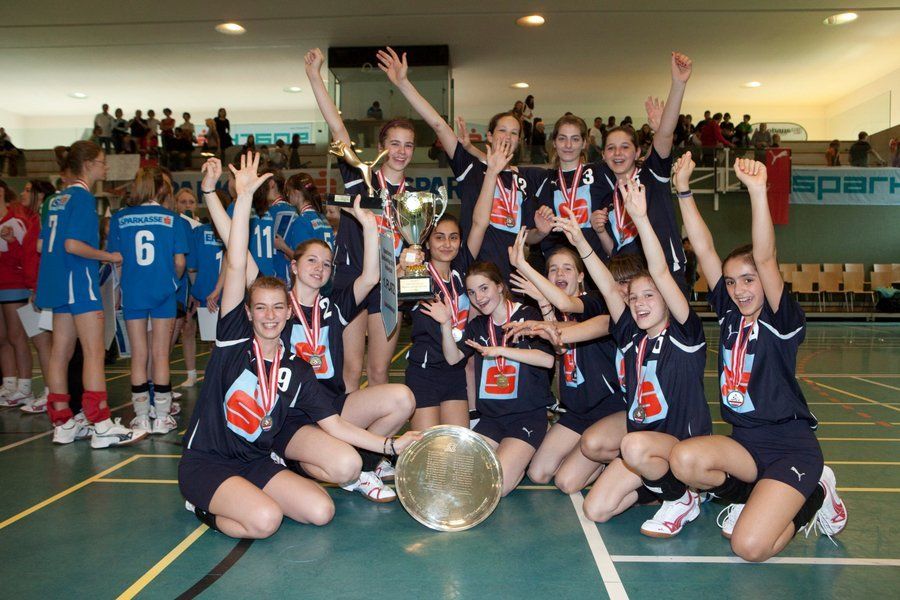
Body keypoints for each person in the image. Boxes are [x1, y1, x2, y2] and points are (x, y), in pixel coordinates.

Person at [179, 152, 420, 537]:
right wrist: (231, 197)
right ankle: (225, 495)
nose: (271, 315)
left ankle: (348, 468)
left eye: (326, 263)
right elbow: (237, 257)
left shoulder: (311, 339)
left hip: (310, 412)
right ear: (292, 265)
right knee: (272, 514)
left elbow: (371, 277)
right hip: (272, 424)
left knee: (324, 507)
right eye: (311, 261)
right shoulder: (250, 324)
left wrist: (368, 225)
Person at [669, 152, 848, 561]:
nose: (739, 290)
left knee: (750, 547)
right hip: (746, 443)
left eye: (748, 280)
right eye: (732, 282)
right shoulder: (731, 313)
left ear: (765, 282)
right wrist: (682, 190)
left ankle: (815, 495)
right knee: (685, 460)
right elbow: (703, 247)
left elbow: (766, 257)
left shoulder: (781, 319)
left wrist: (756, 191)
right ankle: (750, 497)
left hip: (791, 447)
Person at [554, 181, 711, 537]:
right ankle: (665, 489)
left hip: (680, 444)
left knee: (632, 445)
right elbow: (609, 287)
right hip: (644, 442)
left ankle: (682, 494)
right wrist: (581, 243)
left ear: (666, 297)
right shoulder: (630, 334)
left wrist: (640, 218)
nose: (639, 304)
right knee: (596, 509)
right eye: (634, 298)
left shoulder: (685, 334)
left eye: (649, 296)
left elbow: (660, 271)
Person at [377, 46, 549, 284]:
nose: (507, 137)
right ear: (489, 136)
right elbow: (438, 125)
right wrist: (404, 84)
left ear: (520, 140)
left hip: (512, 278)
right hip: (472, 275)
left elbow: (528, 236)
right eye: (502, 130)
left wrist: (542, 231)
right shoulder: (471, 168)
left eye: (514, 133)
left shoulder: (525, 179)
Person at [307, 47, 412, 392]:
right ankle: (350, 427)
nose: (401, 151)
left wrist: (411, 261)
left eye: (408, 145)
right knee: (350, 371)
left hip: (388, 284)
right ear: (382, 147)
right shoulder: (359, 178)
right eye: (394, 143)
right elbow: (337, 127)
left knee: (379, 371)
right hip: (351, 279)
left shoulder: (414, 198)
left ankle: (379, 428)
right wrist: (314, 76)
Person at [35, 141, 146, 447]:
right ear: (87, 165)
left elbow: (42, 245)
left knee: (60, 353)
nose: (105, 166)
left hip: (57, 283)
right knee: (94, 352)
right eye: (101, 161)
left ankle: (63, 423)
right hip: (80, 282)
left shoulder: (54, 199)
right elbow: (72, 245)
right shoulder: (83, 198)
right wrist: (109, 256)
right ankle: (101, 423)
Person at [504, 234, 626, 495]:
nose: (559, 273)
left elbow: (566, 315)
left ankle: (613, 455)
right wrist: (544, 305)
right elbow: (559, 346)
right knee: (538, 473)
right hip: (579, 410)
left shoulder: (596, 302)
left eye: (567, 268)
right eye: (553, 269)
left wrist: (522, 265)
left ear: (581, 276)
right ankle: (586, 450)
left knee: (566, 482)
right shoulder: (559, 313)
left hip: (607, 407)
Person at [427, 260, 556, 496]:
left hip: (526, 416)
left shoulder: (527, 315)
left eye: (484, 288)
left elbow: (547, 360)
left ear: (499, 286)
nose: (479, 297)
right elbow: (454, 358)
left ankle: (529, 447)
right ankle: (517, 454)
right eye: (472, 292)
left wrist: (500, 350)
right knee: (464, 475)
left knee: (497, 486)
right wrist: (445, 324)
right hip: (492, 418)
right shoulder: (478, 325)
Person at [404, 138, 497, 431]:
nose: (447, 244)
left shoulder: (462, 270)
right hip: (425, 371)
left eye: (453, 237)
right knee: (428, 447)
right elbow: (393, 294)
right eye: (439, 237)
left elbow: (480, 223)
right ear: (427, 241)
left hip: (454, 370)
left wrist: (492, 174)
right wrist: (403, 266)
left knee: (457, 446)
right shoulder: (417, 274)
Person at [595, 53, 693, 292]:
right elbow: (615, 250)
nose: (618, 153)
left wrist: (678, 84)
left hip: (666, 278)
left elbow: (665, 134)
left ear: (638, 151)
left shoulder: (651, 176)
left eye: (625, 147)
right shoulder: (609, 200)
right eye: (611, 148)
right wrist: (600, 231)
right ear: (604, 155)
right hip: (629, 286)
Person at [108, 167, 188, 434]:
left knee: (139, 354)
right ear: (161, 189)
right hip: (164, 291)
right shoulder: (171, 219)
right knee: (161, 354)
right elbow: (180, 262)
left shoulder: (119, 218)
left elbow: (117, 262)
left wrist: (121, 290)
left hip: (133, 291)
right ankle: (162, 417)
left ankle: (141, 417)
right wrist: (172, 281)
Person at [280, 173, 334, 275]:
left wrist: (283, 247)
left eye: (288, 192)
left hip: (312, 274)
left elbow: (302, 258)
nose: (287, 196)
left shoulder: (302, 221)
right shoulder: (322, 218)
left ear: (296, 193)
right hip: (325, 273)